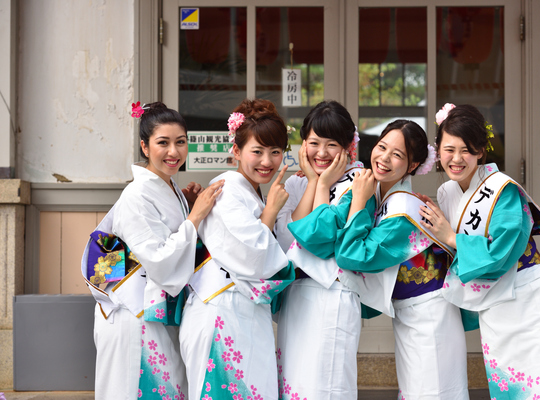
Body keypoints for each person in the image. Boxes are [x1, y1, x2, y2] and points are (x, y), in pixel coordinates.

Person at [419, 103, 540, 399]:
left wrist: (452, 237)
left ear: (480, 151)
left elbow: (501, 252)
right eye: (449, 149)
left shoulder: (502, 189)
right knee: (511, 389)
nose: (456, 159)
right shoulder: (447, 193)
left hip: (530, 298)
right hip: (495, 307)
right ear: (438, 150)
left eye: (466, 150)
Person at [82, 101, 223, 400]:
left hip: (153, 311)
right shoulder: (137, 194)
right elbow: (159, 260)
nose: (174, 151)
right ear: (145, 147)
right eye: (163, 143)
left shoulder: (167, 187)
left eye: (180, 142)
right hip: (132, 313)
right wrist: (195, 216)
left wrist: (188, 208)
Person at [333, 120, 469, 399]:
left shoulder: (402, 211)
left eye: (397, 154)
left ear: (412, 165)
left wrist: (357, 202)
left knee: (433, 392)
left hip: (430, 316)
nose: (384, 158)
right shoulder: (383, 192)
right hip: (412, 312)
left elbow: (352, 256)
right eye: (382, 147)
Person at [179, 99, 295, 400]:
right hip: (221, 311)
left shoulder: (249, 190)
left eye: (275, 152)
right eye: (257, 151)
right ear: (236, 150)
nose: (267, 161)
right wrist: (271, 211)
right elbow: (254, 256)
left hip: (241, 311)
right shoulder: (227, 189)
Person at [275, 100, 384, 400]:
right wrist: (314, 182)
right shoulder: (299, 182)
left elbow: (319, 239)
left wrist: (322, 185)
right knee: (295, 383)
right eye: (314, 143)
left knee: (327, 385)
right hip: (297, 294)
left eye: (331, 144)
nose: (321, 153)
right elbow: (286, 238)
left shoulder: (360, 183)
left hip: (333, 293)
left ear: (348, 147)